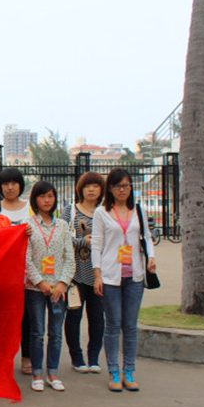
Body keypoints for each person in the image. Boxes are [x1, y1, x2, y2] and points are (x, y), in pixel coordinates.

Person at [92, 168, 156, 392]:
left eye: (126, 185)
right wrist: (97, 275)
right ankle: (114, 371)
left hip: (134, 276)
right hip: (111, 276)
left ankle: (129, 370)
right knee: (113, 324)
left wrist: (151, 258)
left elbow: (147, 237)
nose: (122, 190)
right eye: (118, 186)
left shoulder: (138, 210)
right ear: (110, 188)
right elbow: (97, 244)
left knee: (130, 326)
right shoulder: (102, 212)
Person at [24, 181, 75, 392]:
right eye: (42, 196)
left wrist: (62, 283)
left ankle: (53, 372)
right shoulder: (28, 225)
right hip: (35, 288)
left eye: (50, 196)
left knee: (56, 333)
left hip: (58, 289)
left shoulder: (62, 226)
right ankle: (37, 372)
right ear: (35, 199)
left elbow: (69, 257)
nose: (46, 200)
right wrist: (40, 282)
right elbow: (25, 259)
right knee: (37, 332)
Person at [62, 172, 106, 374]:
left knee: (97, 318)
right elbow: (62, 238)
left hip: (99, 274)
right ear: (80, 188)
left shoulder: (105, 211)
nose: (91, 189)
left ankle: (94, 357)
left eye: (95, 186)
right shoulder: (70, 211)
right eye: (87, 186)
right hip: (75, 275)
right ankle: (77, 358)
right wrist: (83, 241)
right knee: (74, 317)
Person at [0, 167, 32, 375]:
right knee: (2, 319)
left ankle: (27, 357)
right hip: (3, 272)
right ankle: (3, 359)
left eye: (14, 183)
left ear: (20, 185)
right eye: (5, 184)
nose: (10, 187)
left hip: (28, 271)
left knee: (27, 318)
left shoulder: (30, 207)